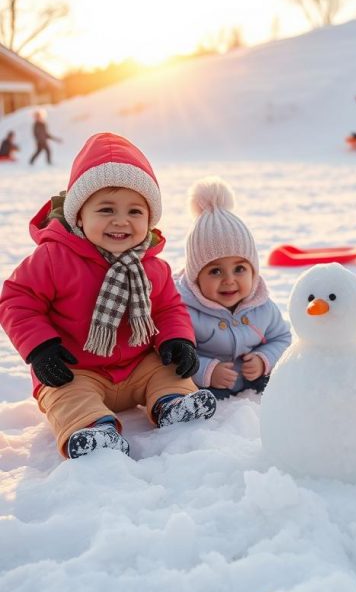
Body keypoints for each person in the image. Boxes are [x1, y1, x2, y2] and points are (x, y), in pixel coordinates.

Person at [0, 132, 217, 459]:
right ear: (79, 216)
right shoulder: (54, 258)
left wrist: (177, 339)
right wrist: (41, 348)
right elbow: (17, 300)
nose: (121, 221)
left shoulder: (152, 266)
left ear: (149, 219)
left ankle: (173, 403)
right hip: (74, 368)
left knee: (168, 370)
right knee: (66, 393)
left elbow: (169, 308)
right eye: (105, 209)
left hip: (137, 365)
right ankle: (89, 428)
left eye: (134, 212)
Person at [175, 177, 291, 400]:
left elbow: (282, 338)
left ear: (253, 270)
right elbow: (175, 355)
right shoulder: (184, 310)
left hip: (254, 385)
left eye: (239, 269)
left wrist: (263, 359)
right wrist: (206, 370)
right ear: (195, 276)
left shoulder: (262, 306)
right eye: (215, 271)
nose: (229, 280)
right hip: (205, 391)